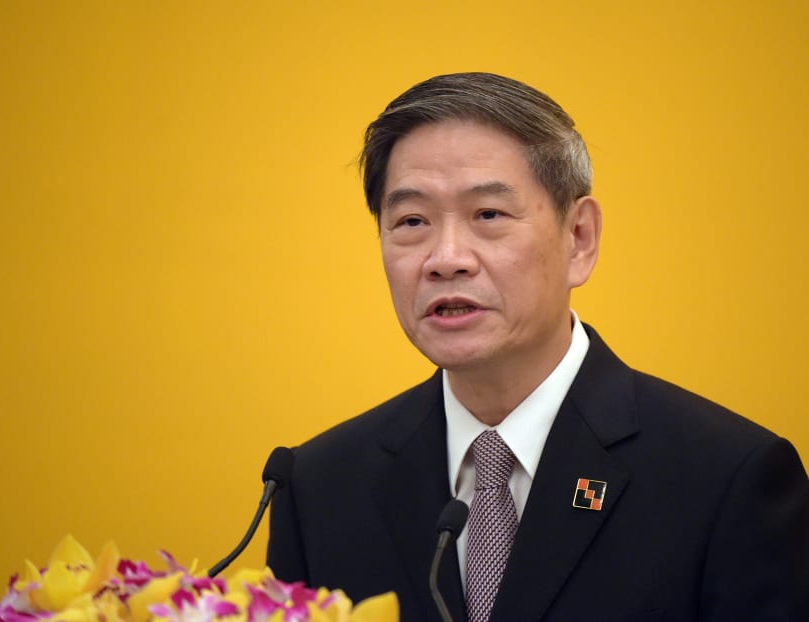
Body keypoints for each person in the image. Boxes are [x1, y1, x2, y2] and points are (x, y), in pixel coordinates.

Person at [266, 72, 809, 621]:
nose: (446, 257)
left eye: (489, 215)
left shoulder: (727, 479)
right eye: (411, 221)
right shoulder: (317, 488)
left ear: (579, 239)